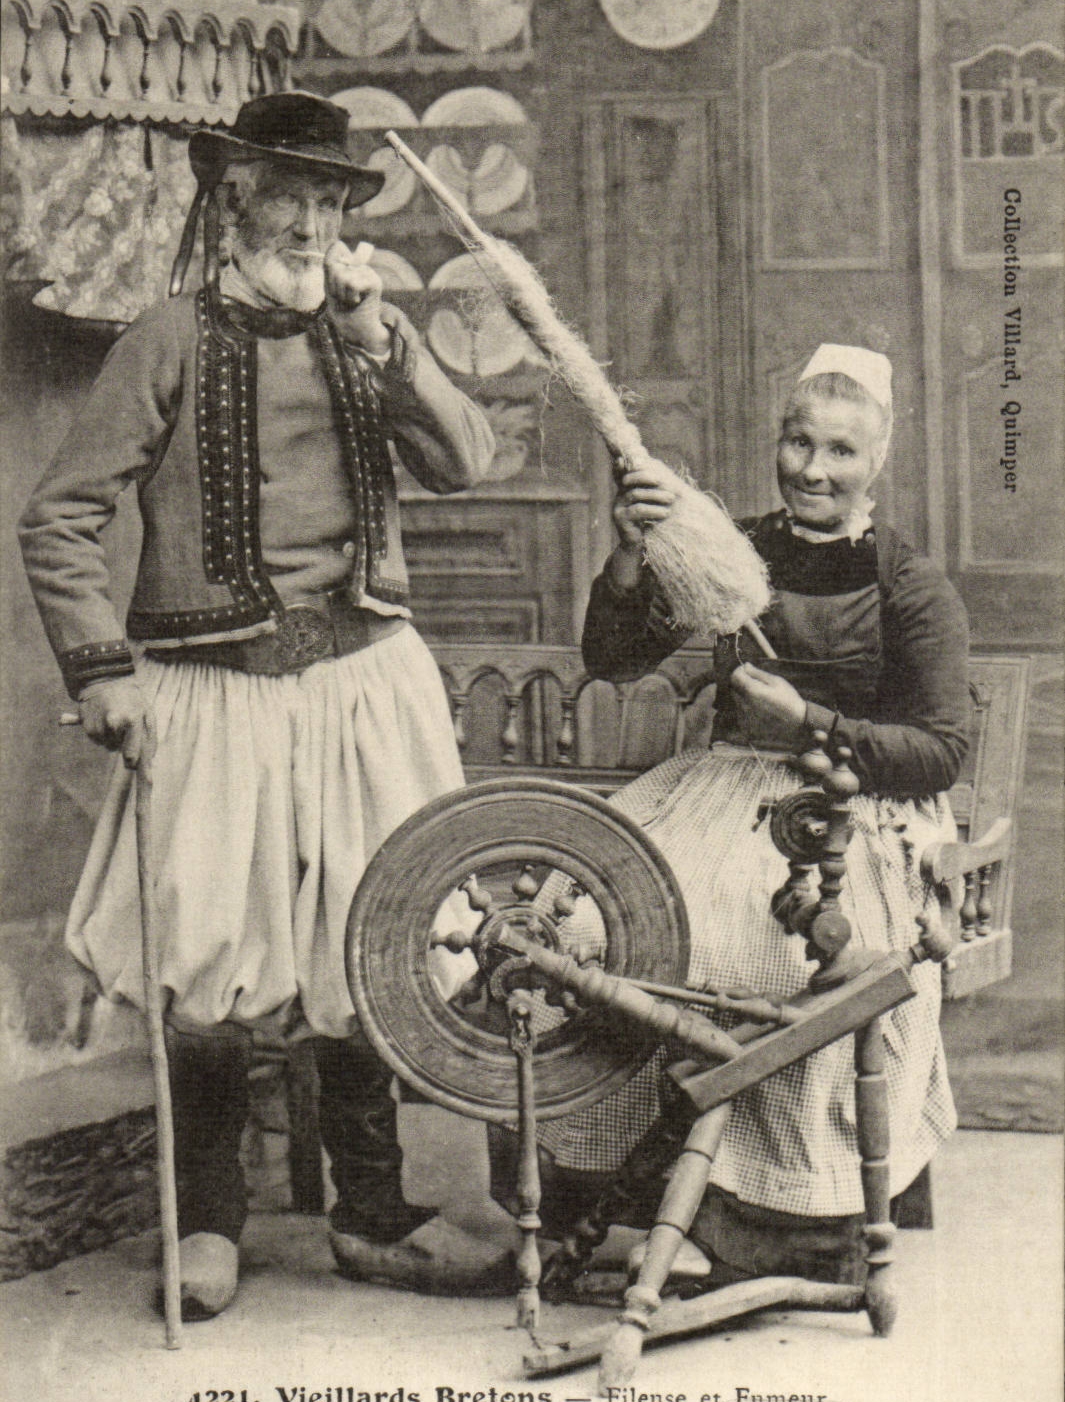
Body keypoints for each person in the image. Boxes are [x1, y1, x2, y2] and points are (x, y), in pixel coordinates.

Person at [19, 91, 496, 1318]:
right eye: (288, 197)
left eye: (328, 201)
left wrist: (389, 343)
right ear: (233, 200)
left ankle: (374, 1216)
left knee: (367, 937)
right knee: (206, 959)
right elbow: (61, 517)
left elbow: (467, 461)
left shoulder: (367, 330)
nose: (311, 224)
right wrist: (101, 668)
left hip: (363, 686)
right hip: (216, 691)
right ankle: (210, 1224)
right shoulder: (166, 338)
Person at [534, 343, 968, 1285]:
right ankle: (627, 1196)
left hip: (850, 806)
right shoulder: (735, 549)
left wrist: (810, 721)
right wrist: (630, 553)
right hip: (718, 788)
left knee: (776, 956)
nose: (813, 469)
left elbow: (940, 750)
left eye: (840, 451)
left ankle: (760, 1223)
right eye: (797, 442)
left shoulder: (906, 581)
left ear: (878, 458)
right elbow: (613, 660)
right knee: (600, 929)